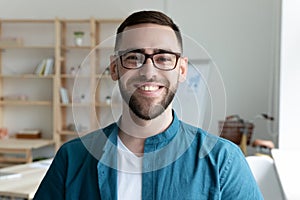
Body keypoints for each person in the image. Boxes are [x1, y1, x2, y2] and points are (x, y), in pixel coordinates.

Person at [34, 10, 263, 200]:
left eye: (163, 58)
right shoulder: (72, 159)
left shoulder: (224, 161)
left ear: (181, 70)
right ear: (114, 68)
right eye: (134, 57)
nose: (148, 71)